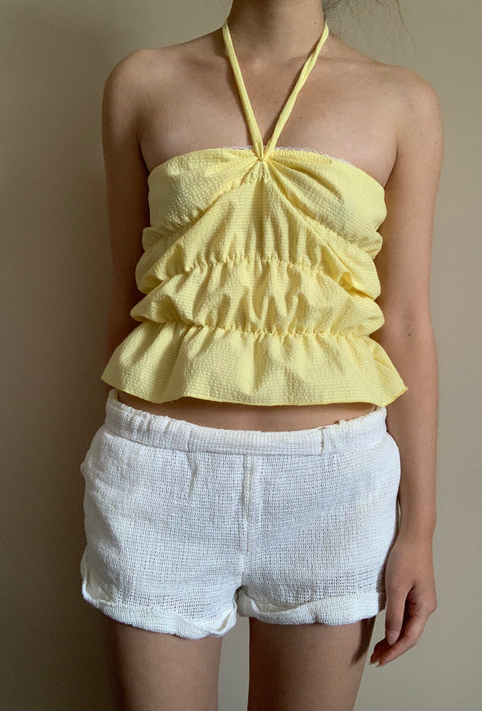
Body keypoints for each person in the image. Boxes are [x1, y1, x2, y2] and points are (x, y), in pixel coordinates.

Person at [79, 0, 442, 708]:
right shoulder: (142, 82)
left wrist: (418, 529)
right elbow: (127, 298)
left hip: (335, 488)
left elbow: (403, 325)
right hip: (158, 475)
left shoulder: (403, 102)